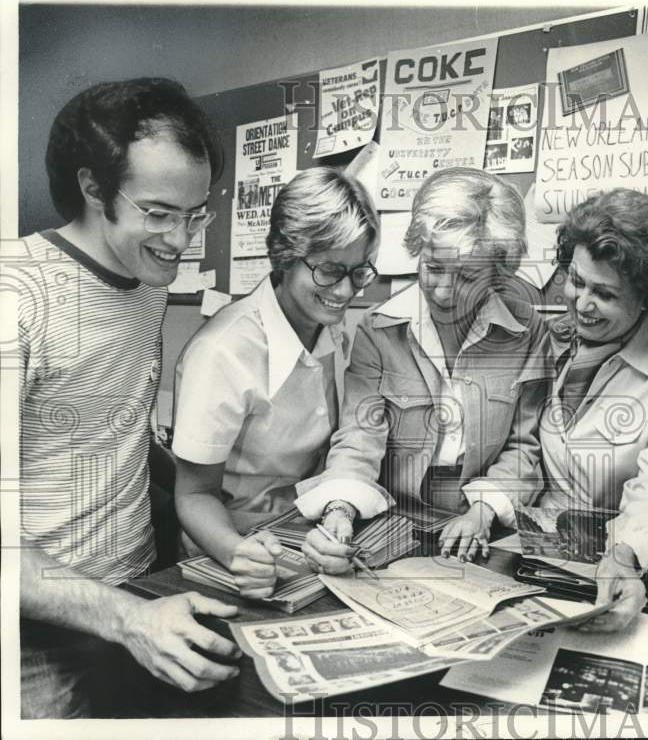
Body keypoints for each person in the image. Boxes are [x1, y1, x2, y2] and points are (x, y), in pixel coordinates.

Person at [16, 78, 242, 718]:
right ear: (93, 189)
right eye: (159, 213)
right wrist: (124, 619)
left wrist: (213, 501)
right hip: (40, 638)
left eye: (196, 213)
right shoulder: (18, 297)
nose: (182, 240)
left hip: (145, 594)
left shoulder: (147, 284)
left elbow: (112, 429)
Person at [455, 188, 648, 632]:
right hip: (527, 559)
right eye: (576, 280)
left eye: (606, 294)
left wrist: (624, 555)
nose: (582, 303)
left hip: (619, 571)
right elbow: (524, 448)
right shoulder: (545, 340)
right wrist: (483, 510)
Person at [294, 167, 549, 574]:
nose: (444, 290)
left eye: (467, 276)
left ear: (499, 273)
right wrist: (339, 507)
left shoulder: (527, 332)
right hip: (391, 522)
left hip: (483, 526)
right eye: (433, 267)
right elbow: (360, 435)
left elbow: (525, 446)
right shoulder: (379, 329)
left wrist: (482, 511)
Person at [171, 168, 379, 599]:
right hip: (232, 548)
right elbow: (193, 497)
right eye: (328, 271)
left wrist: (335, 515)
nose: (344, 292)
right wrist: (239, 553)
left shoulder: (330, 328)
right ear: (284, 257)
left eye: (359, 273)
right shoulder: (222, 351)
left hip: (300, 532)